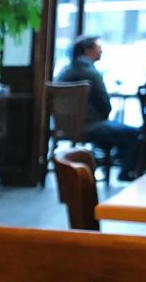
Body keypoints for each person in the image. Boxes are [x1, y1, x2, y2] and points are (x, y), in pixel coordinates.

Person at [57, 35, 139, 181]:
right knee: (133, 133)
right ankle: (126, 171)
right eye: (98, 48)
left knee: (116, 130)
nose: (101, 51)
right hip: (89, 125)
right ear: (88, 50)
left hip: (64, 125)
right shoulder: (90, 72)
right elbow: (105, 105)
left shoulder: (66, 71)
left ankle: (109, 158)